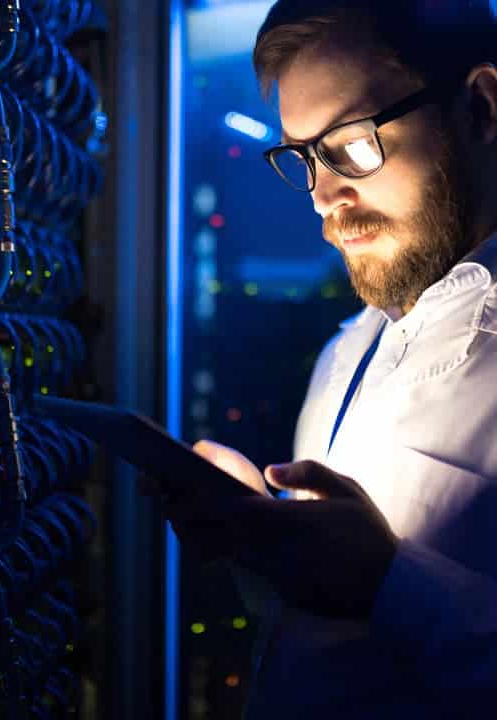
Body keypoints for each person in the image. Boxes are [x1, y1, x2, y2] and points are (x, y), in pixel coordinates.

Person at [150, 1, 497, 716]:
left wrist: (388, 582)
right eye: (303, 158)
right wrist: (261, 537)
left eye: (351, 142)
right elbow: (329, 631)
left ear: (484, 108)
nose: (323, 198)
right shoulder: (346, 352)